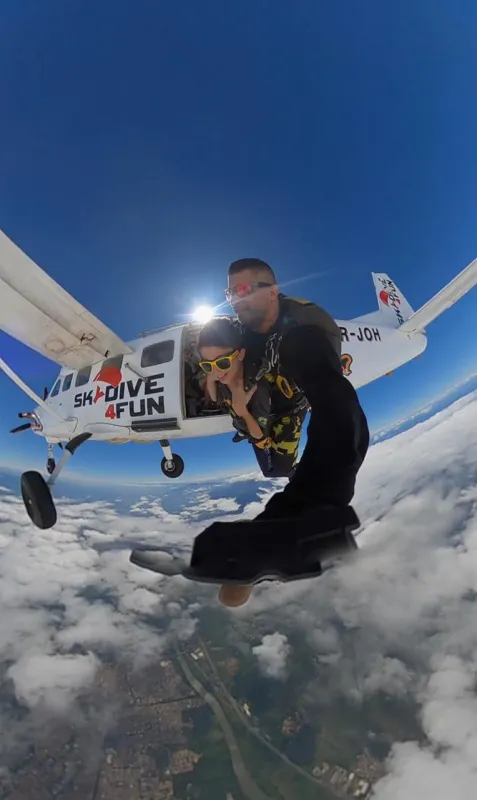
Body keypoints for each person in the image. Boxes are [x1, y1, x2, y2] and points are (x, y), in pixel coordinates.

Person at [216, 257, 370, 606]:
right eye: (230, 293)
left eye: (244, 290)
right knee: (275, 467)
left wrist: (306, 510)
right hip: (275, 393)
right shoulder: (244, 330)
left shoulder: (301, 335)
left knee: (277, 468)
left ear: (273, 291)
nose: (236, 300)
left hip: (293, 399)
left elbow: (339, 409)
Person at [197, 316, 302, 480]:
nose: (217, 372)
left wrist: (242, 412)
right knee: (267, 468)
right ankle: (242, 428)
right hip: (250, 423)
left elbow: (262, 438)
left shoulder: (254, 388)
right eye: (208, 365)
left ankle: (296, 472)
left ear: (240, 354)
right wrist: (211, 376)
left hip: (283, 417)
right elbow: (216, 397)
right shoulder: (223, 376)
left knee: (275, 470)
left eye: (222, 363)